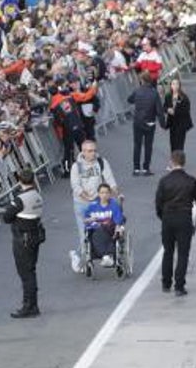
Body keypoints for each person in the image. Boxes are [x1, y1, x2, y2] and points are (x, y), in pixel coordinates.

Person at [156, 150, 196, 297]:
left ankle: (166, 283)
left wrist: (163, 216)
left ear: (172, 162)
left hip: (168, 217)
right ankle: (179, 286)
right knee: (183, 253)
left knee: (168, 251)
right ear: (184, 162)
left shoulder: (164, 181)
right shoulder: (191, 180)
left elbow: (158, 203)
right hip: (184, 217)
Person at [1, 168, 45, 318]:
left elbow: (6, 217)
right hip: (35, 235)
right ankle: (33, 304)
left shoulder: (20, 198)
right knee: (31, 271)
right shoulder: (37, 195)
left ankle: (29, 306)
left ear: (19, 181)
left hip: (23, 239)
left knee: (26, 274)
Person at [68, 141, 118, 269]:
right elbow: (76, 187)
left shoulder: (101, 162)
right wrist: (87, 198)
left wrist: (115, 193)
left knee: (105, 227)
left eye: (94, 150)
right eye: (89, 151)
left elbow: (110, 180)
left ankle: (106, 254)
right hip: (82, 204)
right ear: (83, 152)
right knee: (84, 233)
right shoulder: (76, 166)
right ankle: (78, 255)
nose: (93, 153)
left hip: (98, 202)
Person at [83, 183, 127, 268]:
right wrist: (91, 219)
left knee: (108, 230)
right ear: (98, 194)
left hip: (110, 229)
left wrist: (118, 228)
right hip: (95, 229)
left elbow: (118, 220)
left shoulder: (114, 205)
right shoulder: (92, 206)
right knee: (95, 233)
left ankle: (106, 255)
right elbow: (85, 220)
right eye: (102, 193)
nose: (104, 195)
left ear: (110, 194)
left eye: (106, 193)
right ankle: (107, 255)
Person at [128, 73, 163, 176]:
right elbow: (159, 110)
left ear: (142, 80)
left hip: (138, 121)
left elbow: (129, 100)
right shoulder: (154, 93)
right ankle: (146, 168)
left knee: (137, 145)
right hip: (150, 122)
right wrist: (163, 124)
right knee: (148, 146)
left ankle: (136, 168)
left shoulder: (137, 91)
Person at [163, 77, 194, 154]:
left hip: (181, 124)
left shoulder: (184, 97)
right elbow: (164, 107)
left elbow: (186, 110)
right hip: (172, 123)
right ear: (170, 85)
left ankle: (179, 163)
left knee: (179, 144)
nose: (175, 86)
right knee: (173, 143)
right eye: (173, 84)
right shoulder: (168, 96)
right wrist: (167, 110)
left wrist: (175, 112)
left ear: (179, 86)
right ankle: (174, 161)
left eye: (177, 84)